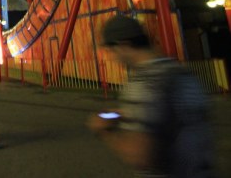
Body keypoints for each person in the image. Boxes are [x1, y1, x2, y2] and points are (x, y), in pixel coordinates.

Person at [87, 15, 216, 178]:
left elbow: (139, 156)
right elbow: (174, 116)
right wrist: (128, 114)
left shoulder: (142, 83)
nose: (110, 57)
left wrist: (105, 130)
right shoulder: (184, 74)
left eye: (110, 50)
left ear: (123, 45)